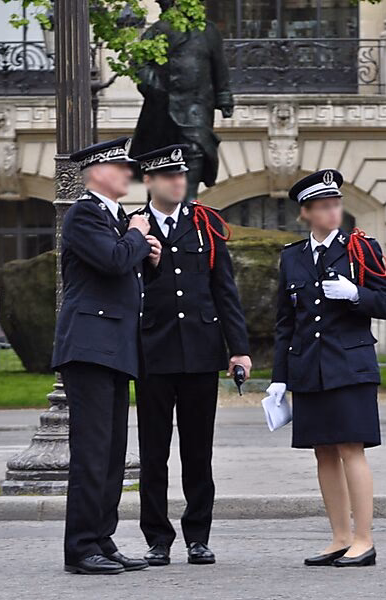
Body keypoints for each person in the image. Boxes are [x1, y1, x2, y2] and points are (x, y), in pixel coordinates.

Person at [128, 144, 252, 567]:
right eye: (169, 177)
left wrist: (239, 350)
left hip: (200, 352)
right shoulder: (133, 227)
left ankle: (198, 536)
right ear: (149, 182)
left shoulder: (205, 227)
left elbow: (225, 292)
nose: (178, 182)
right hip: (153, 353)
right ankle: (157, 538)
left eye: (182, 176)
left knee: (198, 452)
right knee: (154, 453)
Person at [267, 169, 386, 567]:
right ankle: (340, 536)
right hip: (309, 367)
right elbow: (286, 322)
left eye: (335, 204)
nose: (332, 212)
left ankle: (364, 538)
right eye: (323, 207)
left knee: (350, 448)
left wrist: (356, 293)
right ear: (305, 212)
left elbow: (385, 304)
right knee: (323, 452)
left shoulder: (361, 249)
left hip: (349, 364)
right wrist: (278, 378)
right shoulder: (293, 257)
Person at [51, 137, 162, 575]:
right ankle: (80, 547)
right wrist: (136, 238)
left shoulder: (115, 219)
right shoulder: (83, 215)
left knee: (113, 453)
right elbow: (113, 262)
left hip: (115, 347)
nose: (128, 174)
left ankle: (102, 538)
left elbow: (124, 272)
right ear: (97, 172)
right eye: (120, 167)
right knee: (92, 452)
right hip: (89, 347)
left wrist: (145, 256)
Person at [131, 0, 234, 201]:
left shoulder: (207, 31)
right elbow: (138, 63)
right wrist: (155, 87)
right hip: (162, 106)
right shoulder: (157, 30)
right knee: (160, 155)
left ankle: (188, 202)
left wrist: (224, 96)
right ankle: (158, 208)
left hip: (196, 103)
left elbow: (220, 66)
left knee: (195, 149)